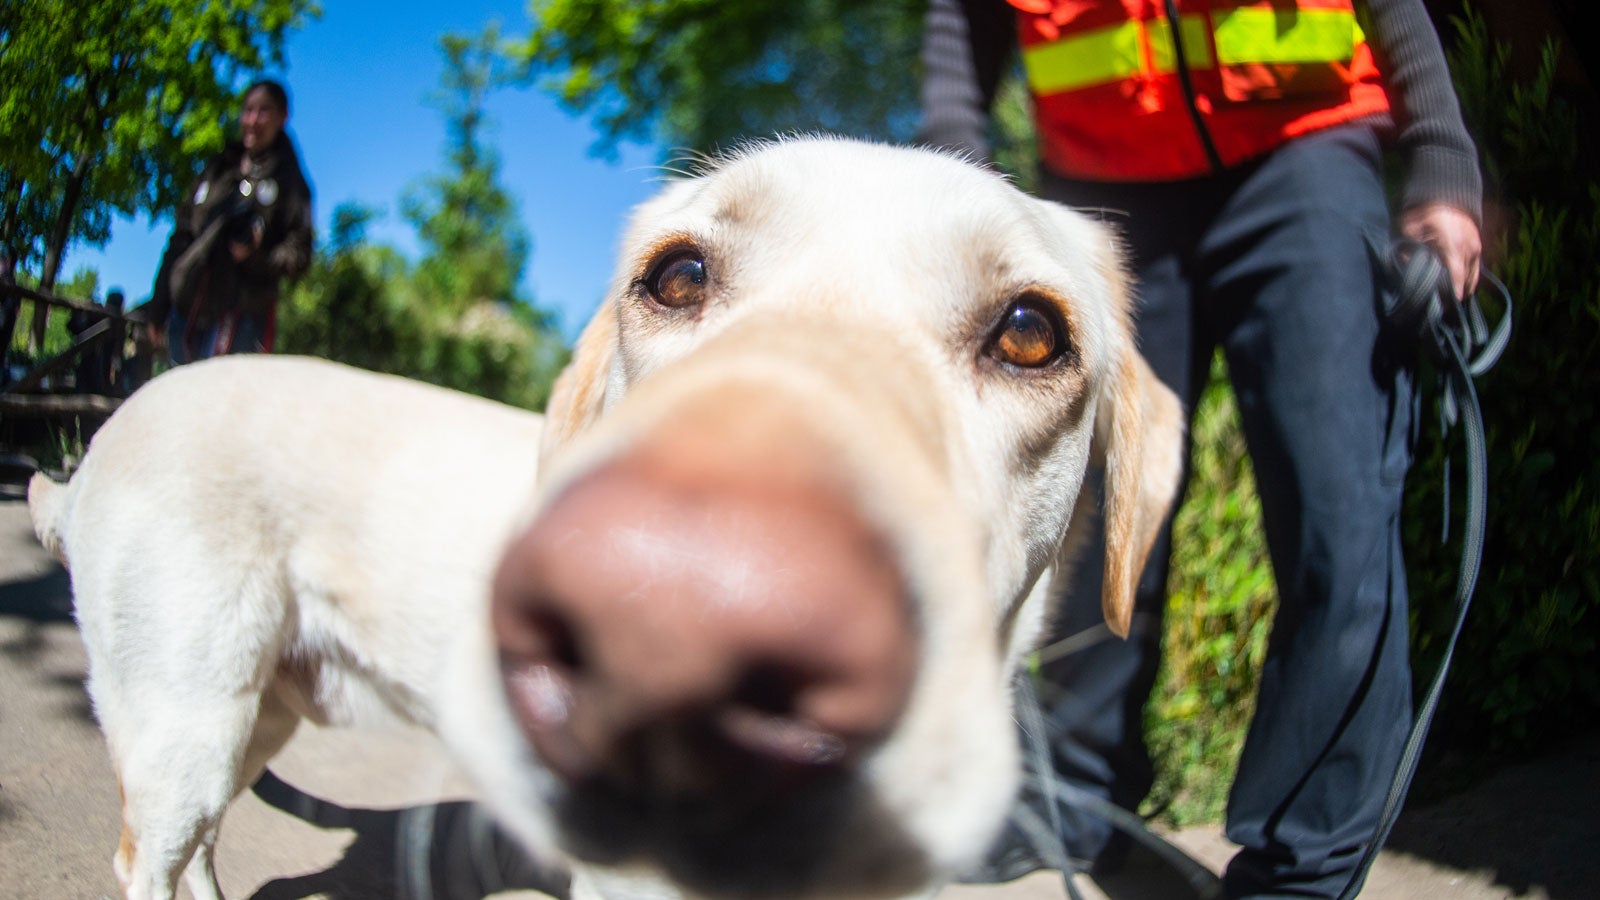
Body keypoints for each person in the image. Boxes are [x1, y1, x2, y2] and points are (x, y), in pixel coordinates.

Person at [919, 2, 1482, 898]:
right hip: (1105, 181)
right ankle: (1067, 798)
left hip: (1304, 147)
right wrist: (961, 172)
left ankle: (1304, 865)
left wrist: (1443, 160)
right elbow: (965, 19)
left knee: (1339, 509)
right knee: (1093, 509)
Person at [144, 79, 314, 364]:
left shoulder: (292, 184)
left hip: (245, 316)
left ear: (283, 117)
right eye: (248, 110)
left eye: (264, 111)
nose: (253, 120)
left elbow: (300, 253)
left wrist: (256, 257)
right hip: (188, 306)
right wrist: (159, 305)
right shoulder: (218, 169)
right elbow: (182, 234)